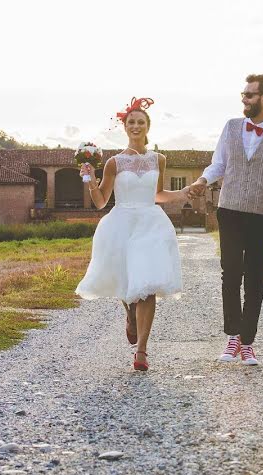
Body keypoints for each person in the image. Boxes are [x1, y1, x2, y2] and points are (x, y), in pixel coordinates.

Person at [188, 74, 263, 366]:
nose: (244, 99)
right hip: (231, 208)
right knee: (230, 273)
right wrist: (202, 180)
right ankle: (233, 336)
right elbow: (219, 164)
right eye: (243, 94)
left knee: (255, 278)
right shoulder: (231, 127)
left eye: (250, 95)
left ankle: (248, 342)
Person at [75, 97, 194, 371]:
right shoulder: (114, 163)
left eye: (141, 122)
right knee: (128, 282)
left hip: (151, 224)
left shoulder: (159, 160)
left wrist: (183, 193)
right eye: (131, 122)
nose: (136, 126)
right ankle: (130, 316)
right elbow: (101, 202)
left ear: (148, 126)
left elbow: (158, 194)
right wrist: (91, 180)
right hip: (122, 224)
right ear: (125, 127)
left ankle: (141, 351)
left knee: (148, 285)